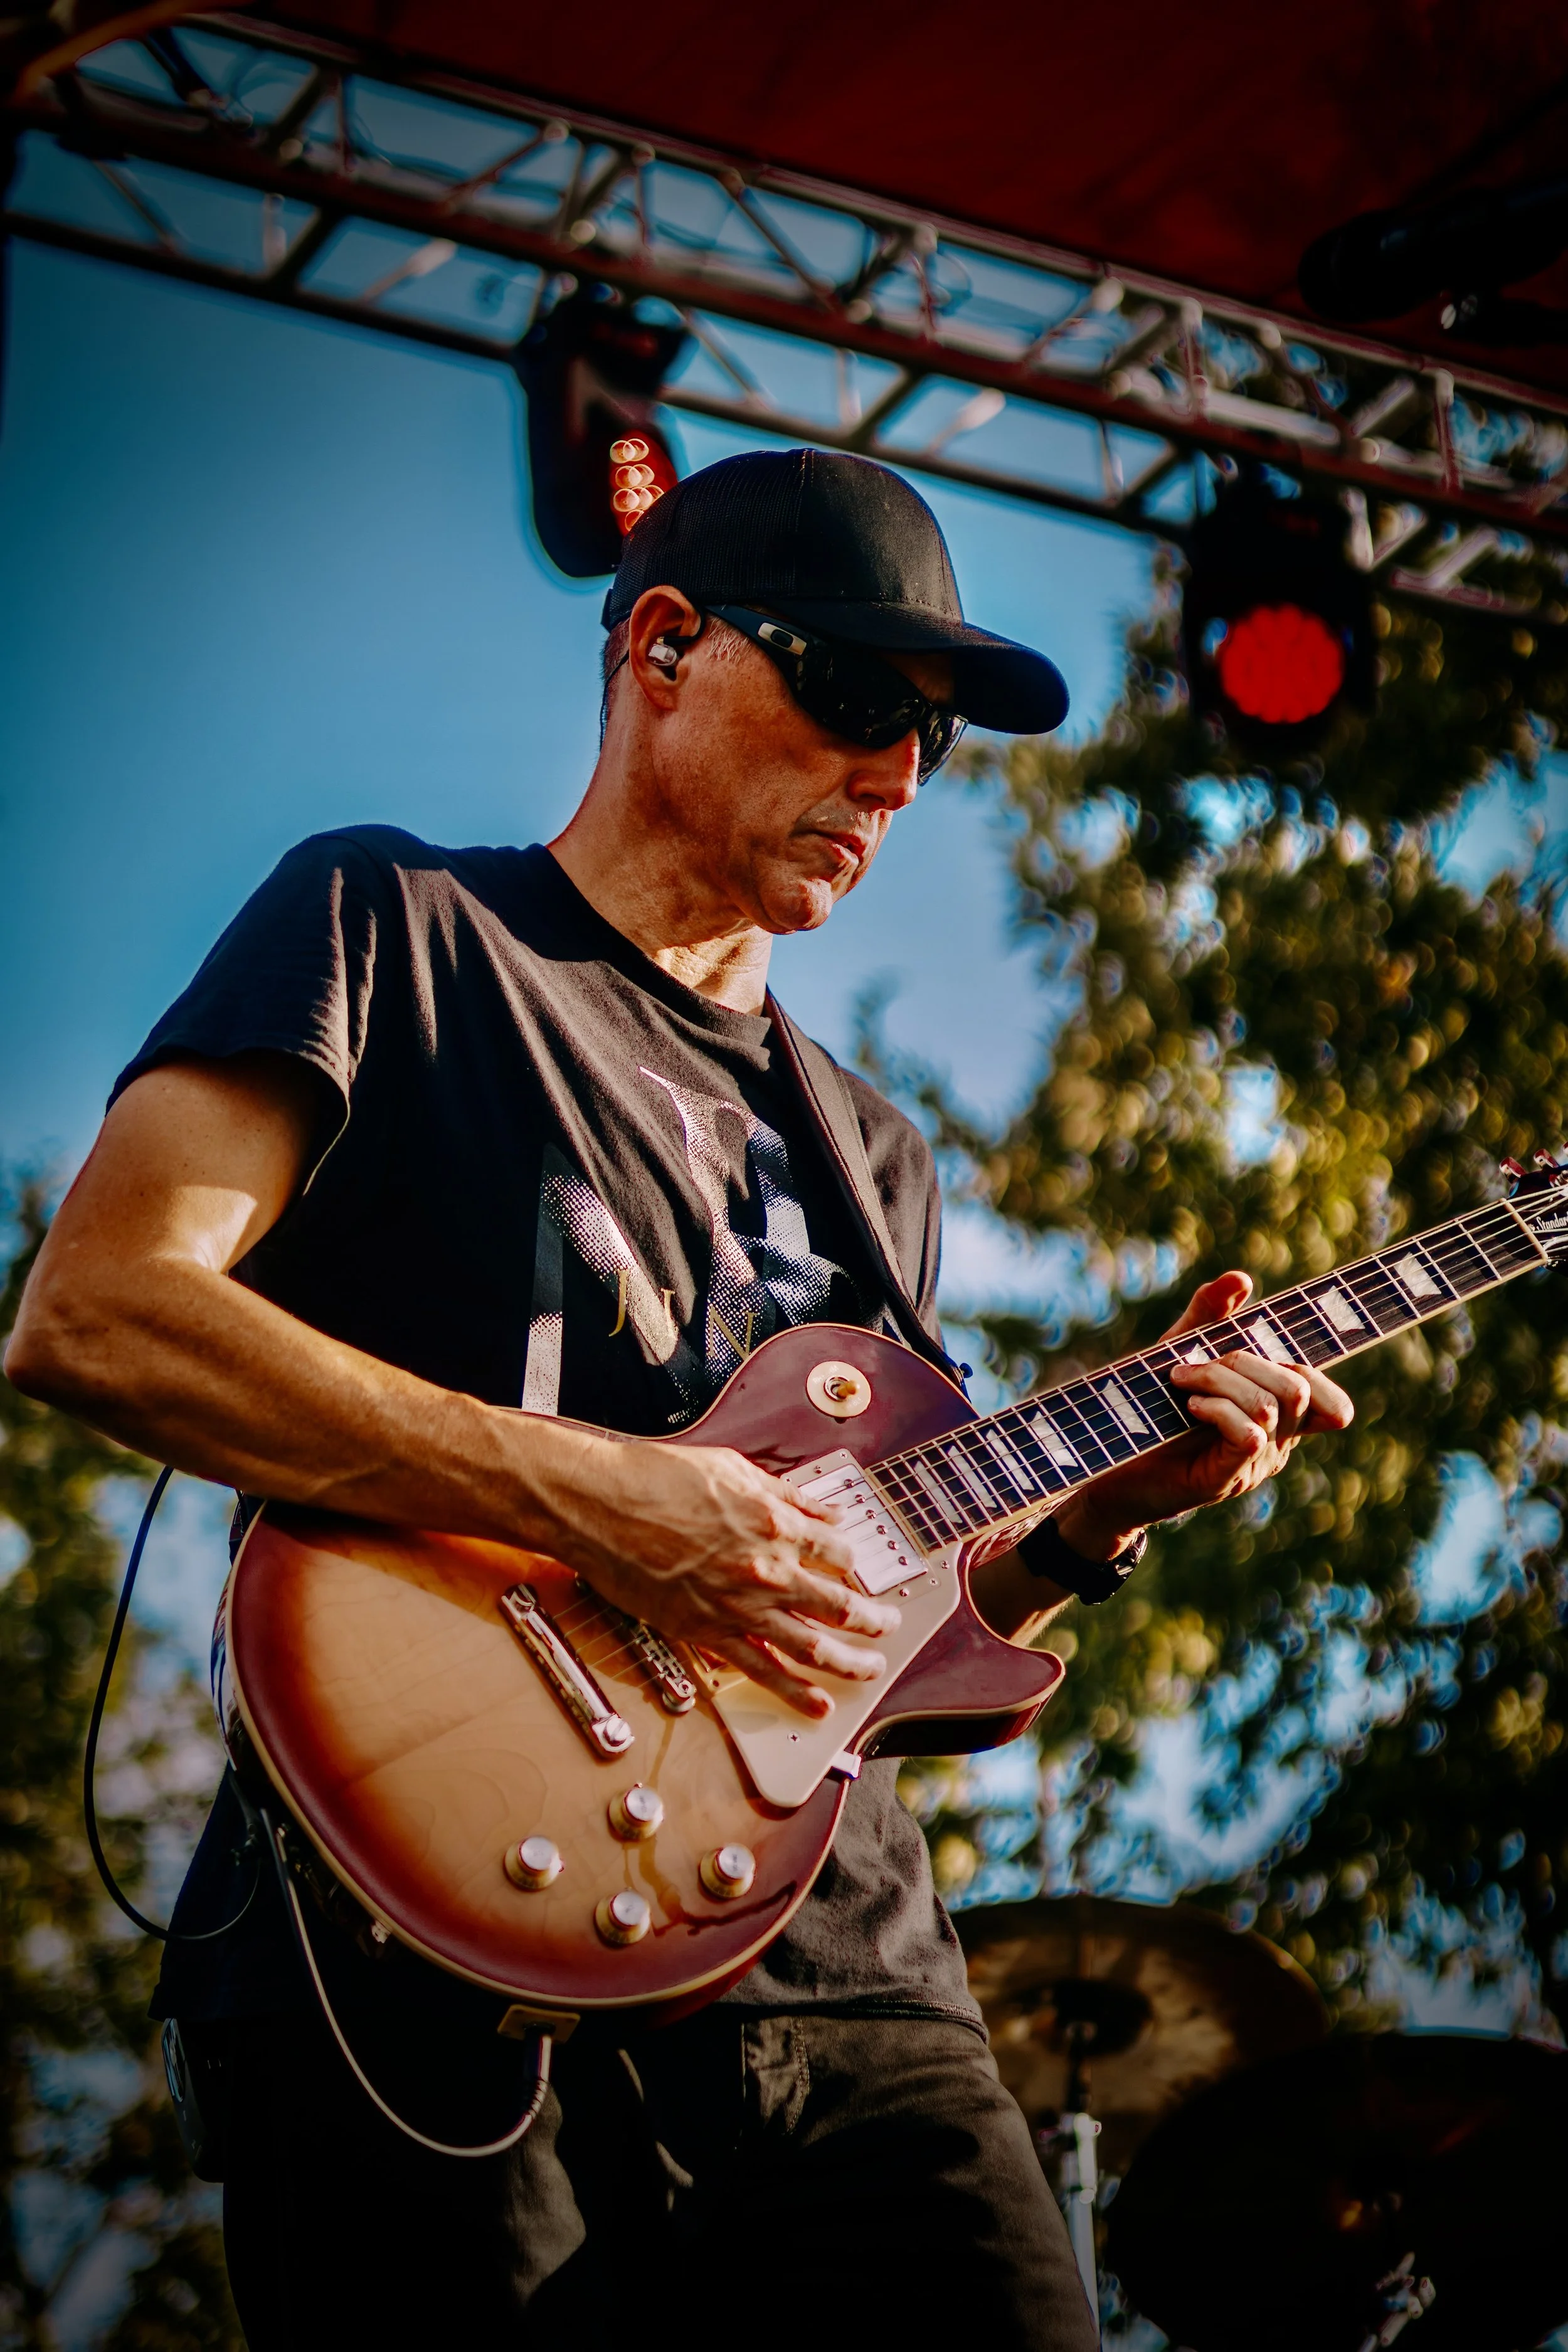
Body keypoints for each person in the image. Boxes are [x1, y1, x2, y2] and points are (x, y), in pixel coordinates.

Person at [7, 448, 1352, 2348]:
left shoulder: (873, 1157)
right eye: (860, 699)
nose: (895, 776)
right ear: (661, 644)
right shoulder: (391, 931)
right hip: (413, 1948)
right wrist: (607, 1498)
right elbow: (101, 1314)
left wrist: (1091, 1519)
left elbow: (865, 1643)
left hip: (841, 1995)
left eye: (934, 741)